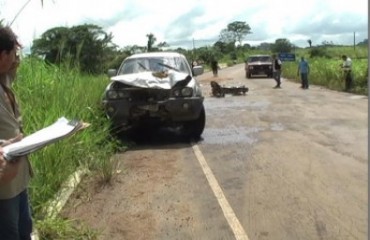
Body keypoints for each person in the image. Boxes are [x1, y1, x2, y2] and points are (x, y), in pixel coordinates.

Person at [0, 26, 33, 240]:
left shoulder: (4, 82)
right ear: (3, 55)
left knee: (25, 228)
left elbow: (12, 71)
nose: (16, 59)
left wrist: (13, 53)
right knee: (10, 234)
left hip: (18, 176)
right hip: (4, 181)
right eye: (13, 53)